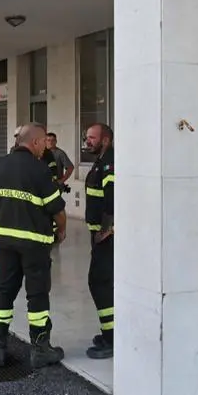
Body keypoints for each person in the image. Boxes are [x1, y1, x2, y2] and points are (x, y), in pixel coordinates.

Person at [0, 123, 68, 369]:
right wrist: (61, 230)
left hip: (5, 243)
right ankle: (40, 348)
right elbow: (58, 210)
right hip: (35, 246)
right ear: (34, 142)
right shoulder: (39, 170)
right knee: (38, 296)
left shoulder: (0, 166)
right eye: (43, 142)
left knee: (4, 293)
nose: (45, 147)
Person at [83, 123, 115, 359]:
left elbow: (112, 199)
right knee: (102, 282)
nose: (88, 141)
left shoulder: (109, 162)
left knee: (99, 282)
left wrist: (105, 230)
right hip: (99, 235)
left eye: (92, 137)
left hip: (107, 236)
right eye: (87, 138)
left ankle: (112, 337)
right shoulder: (100, 161)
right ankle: (110, 332)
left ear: (105, 140)